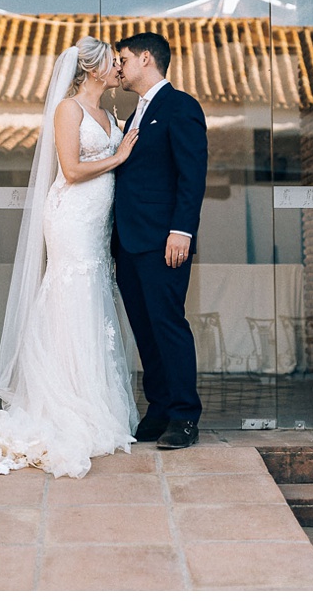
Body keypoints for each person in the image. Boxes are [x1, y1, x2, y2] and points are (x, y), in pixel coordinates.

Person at [0, 37, 141, 484]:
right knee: (72, 290)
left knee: (93, 295)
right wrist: (120, 155)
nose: (118, 70)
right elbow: (70, 170)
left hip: (98, 218)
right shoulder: (67, 110)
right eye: (112, 63)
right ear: (92, 70)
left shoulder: (110, 114)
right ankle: (62, 401)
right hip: (70, 215)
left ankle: (91, 397)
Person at [112, 32, 208, 449]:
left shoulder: (180, 106)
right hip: (129, 243)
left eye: (123, 59)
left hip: (164, 240)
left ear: (146, 58)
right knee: (145, 330)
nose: (118, 67)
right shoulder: (137, 113)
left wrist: (181, 231)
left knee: (168, 326)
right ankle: (160, 408)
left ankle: (185, 417)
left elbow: (192, 175)